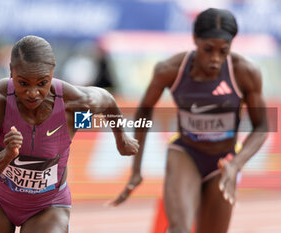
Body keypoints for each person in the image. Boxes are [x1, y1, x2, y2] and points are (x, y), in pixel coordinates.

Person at [110, 8, 268, 233]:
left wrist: (236, 164)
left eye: (223, 51)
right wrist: (136, 168)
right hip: (186, 153)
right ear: (195, 39)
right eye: (208, 49)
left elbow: (261, 126)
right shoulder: (170, 70)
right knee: (179, 229)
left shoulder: (245, 72)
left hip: (224, 161)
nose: (215, 59)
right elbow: (144, 112)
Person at [0, 35, 139, 233]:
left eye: (42, 83)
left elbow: (107, 100)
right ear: (11, 71)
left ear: (52, 74)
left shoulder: (73, 104)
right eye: (23, 83)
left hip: (47, 206)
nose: (33, 93)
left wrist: (122, 140)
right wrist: (6, 155)